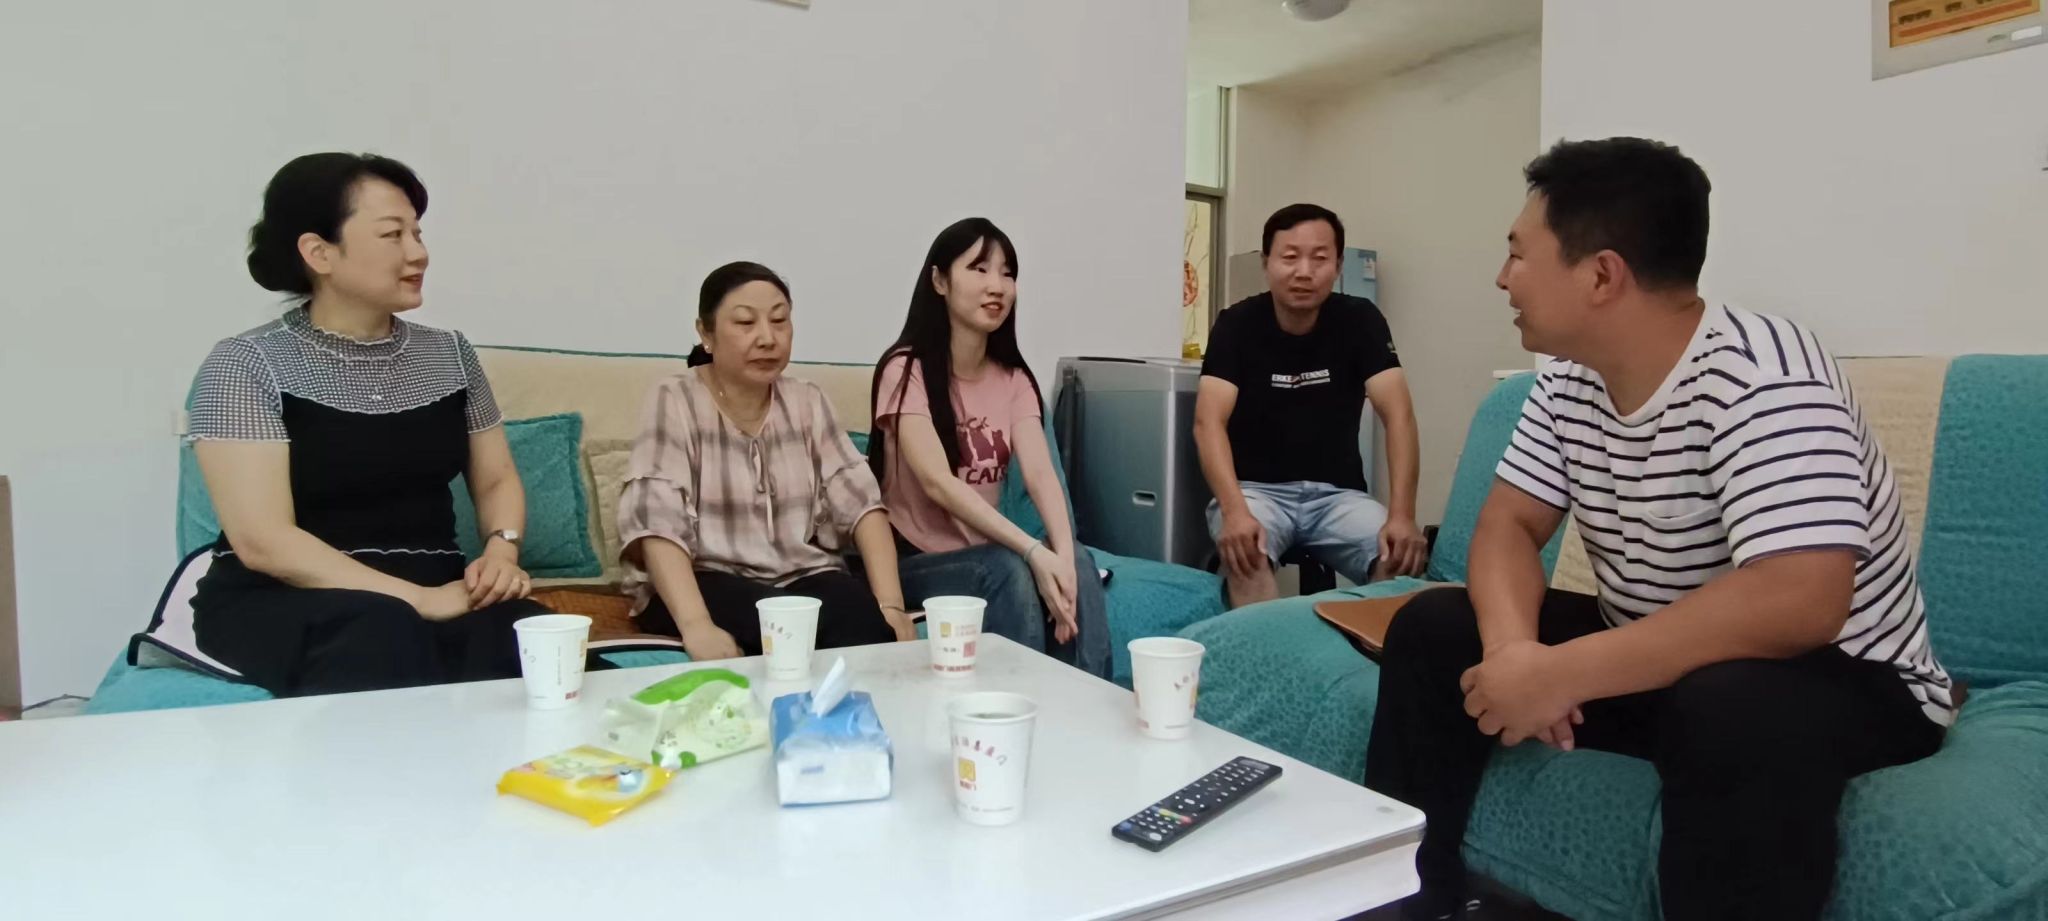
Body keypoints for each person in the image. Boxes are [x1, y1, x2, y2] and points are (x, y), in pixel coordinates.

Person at [1365, 138, 1953, 921]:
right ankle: (1412, 899)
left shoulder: (1766, 373)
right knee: (1434, 627)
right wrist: (1515, 656)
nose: (1503, 278)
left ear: (1601, 275)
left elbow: (1801, 597)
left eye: (1519, 254)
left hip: (1849, 678)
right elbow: (1508, 524)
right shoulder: (1567, 378)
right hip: (1667, 660)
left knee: (1730, 706)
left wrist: (1566, 673)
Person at [188, 153, 559, 697]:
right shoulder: (246, 363)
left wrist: (501, 552)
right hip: (287, 595)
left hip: (435, 582)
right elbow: (263, 541)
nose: (418, 252)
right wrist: (421, 601)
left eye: (418, 232)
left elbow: (496, 479)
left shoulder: (450, 353)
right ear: (319, 252)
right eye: (392, 234)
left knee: (526, 636)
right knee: (382, 632)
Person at [619, 261, 912, 661]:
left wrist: (891, 606)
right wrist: (697, 626)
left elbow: (862, 504)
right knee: (782, 625)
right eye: (745, 323)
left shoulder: (807, 400)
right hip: (708, 578)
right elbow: (657, 518)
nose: (767, 338)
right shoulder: (675, 398)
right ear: (706, 333)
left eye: (779, 321)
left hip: (802, 575)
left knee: (864, 622)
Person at [868, 218, 1110, 677]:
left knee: (1078, 562)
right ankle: (1014, 706)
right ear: (940, 281)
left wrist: (1062, 556)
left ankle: (1086, 704)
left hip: (989, 550)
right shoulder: (905, 370)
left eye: (1007, 273)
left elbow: (1040, 475)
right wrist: (1033, 552)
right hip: (918, 561)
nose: (996, 286)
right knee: (1008, 568)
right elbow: (937, 483)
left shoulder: (1013, 377)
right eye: (979, 269)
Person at [1195, 204, 1428, 609]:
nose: (1304, 271)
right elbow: (1207, 423)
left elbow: (1399, 417)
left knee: (1400, 559)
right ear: (1266, 262)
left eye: (1319, 258)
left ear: (1337, 266)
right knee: (1246, 556)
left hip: (1339, 497)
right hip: (1256, 494)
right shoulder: (1236, 324)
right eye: (1289, 257)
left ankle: (1362, 650)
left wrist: (1402, 515)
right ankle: (1267, 650)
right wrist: (1234, 512)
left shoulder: (1360, 320)